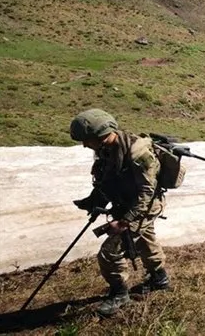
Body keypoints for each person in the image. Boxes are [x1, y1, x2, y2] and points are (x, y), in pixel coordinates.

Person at [69, 109, 170, 316]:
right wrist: (93, 200)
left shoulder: (137, 153)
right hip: (127, 204)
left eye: (87, 140)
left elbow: (146, 193)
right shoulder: (107, 150)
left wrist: (125, 221)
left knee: (110, 252)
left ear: (101, 135)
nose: (85, 145)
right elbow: (108, 179)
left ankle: (119, 294)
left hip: (144, 207)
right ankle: (160, 278)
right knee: (145, 240)